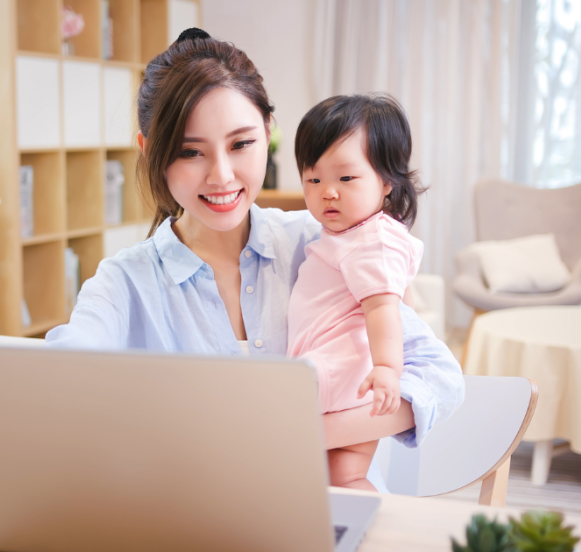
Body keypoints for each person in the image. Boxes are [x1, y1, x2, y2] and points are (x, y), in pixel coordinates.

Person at [46, 28, 464, 488]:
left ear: (268, 133)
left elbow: (439, 376)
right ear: (150, 153)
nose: (221, 176)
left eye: (241, 144)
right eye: (190, 152)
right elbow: (65, 380)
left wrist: (311, 431)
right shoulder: (125, 281)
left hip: (335, 513)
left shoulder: (323, 244)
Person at [289, 94, 424, 491]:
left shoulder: (371, 241)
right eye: (314, 179)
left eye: (346, 178)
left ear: (386, 182)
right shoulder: (352, 234)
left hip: (340, 371)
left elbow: (384, 307)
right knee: (344, 476)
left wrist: (387, 368)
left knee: (274, 443)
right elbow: (404, 303)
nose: (328, 191)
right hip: (344, 371)